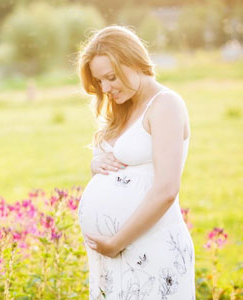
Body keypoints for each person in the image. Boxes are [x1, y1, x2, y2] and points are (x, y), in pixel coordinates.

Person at [77, 25, 195, 299]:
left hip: (151, 248)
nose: (105, 88)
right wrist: (96, 167)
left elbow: (166, 189)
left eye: (111, 77)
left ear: (133, 62)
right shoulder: (123, 109)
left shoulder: (165, 105)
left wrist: (116, 242)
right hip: (117, 255)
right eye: (99, 82)